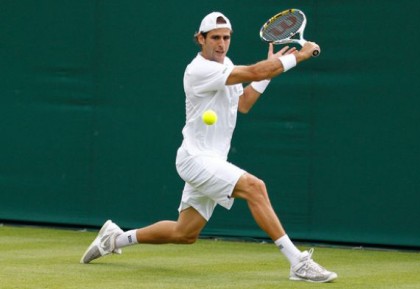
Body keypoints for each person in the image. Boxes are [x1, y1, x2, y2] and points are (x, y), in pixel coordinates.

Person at [80, 11, 337, 283]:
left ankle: (115, 238)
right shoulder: (199, 70)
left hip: (213, 160)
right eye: (215, 37)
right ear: (200, 39)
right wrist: (299, 55)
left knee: (185, 233)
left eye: (226, 38)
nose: (221, 43)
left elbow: (244, 104)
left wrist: (267, 73)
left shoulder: (227, 64)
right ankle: (297, 262)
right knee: (255, 187)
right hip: (196, 158)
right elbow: (253, 70)